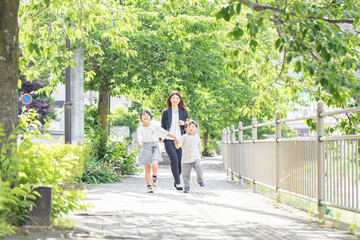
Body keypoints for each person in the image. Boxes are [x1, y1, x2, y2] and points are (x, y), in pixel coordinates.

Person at [137, 110, 179, 193]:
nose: (146, 117)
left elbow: (164, 132)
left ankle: (155, 176)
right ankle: (149, 186)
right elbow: (139, 137)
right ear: (140, 118)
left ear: (150, 118)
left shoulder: (154, 126)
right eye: (144, 115)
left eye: (148, 116)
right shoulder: (140, 128)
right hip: (145, 147)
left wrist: (174, 137)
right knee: (147, 168)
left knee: (155, 164)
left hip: (154, 146)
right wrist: (140, 143)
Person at [161, 90, 189, 190]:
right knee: (174, 160)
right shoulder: (165, 112)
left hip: (180, 139)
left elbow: (188, 127)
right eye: (173, 98)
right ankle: (178, 182)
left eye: (177, 98)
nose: (175, 100)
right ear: (170, 99)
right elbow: (163, 127)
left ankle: (176, 177)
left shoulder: (184, 111)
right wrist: (161, 137)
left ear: (180, 100)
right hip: (169, 139)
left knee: (180, 163)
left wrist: (184, 124)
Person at [176, 120, 204, 193]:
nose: (191, 128)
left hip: (196, 157)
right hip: (186, 158)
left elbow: (199, 146)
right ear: (186, 128)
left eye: (193, 126)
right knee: (185, 174)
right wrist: (176, 143)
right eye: (189, 126)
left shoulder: (197, 137)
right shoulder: (183, 137)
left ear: (196, 128)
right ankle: (186, 187)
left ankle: (200, 180)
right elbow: (179, 146)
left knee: (199, 166)